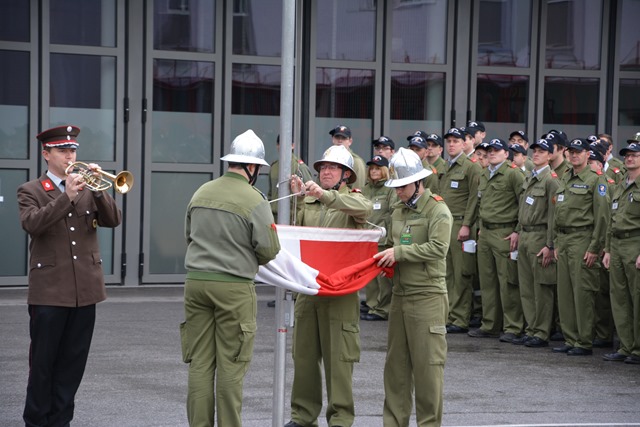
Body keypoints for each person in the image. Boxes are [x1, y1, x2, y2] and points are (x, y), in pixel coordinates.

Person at [18, 125, 122, 427]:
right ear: (46, 154)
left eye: (72, 150)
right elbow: (33, 224)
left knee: (72, 364)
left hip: (85, 291)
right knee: (43, 364)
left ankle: (60, 421)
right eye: (62, 151)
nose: (69, 156)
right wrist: (67, 197)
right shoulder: (31, 190)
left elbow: (113, 220)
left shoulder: (87, 187)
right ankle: (36, 421)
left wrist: (98, 190)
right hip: (49, 292)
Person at [182, 129, 281, 426]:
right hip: (234, 287)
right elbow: (269, 249)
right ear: (252, 167)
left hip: (196, 282)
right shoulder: (254, 199)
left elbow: (188, 235)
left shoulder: (201, 191)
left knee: (200, 363)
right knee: (231, 365)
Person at [286, 145, 372, 427]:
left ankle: (340, 419)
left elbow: (364, 209)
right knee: (304, 358)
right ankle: (302, 416)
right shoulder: (310, 203)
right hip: (309, 289)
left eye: (333, 168)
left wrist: (325, 196)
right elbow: (292, 233)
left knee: (339, 361)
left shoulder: (353, 199)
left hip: (340, 292)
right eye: (323, 167)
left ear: (346, 175)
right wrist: (298, 199)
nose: (325, 171)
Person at [374, 147, 452, 427]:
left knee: (428, 369)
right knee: (396, 368)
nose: (398, 192)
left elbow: (439, 248)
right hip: (400, 295)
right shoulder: (398, 210)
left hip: (427, 296)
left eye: (403, 186)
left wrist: (399, 253)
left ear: (419, 182)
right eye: (395, 187)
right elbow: (390, 242)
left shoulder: (437, 209)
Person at [552, 138, 609, 356]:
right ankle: (570, 338)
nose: (574, 155)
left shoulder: (596, 180)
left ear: (587, 154)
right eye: (572, 152)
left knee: (582, 292)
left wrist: (595, 248)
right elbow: (558, 212)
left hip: (582, 239)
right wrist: (556, 242)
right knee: (565, 293)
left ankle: (584, 341)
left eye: (579, 152)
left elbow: (602, 217)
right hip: (564, 240)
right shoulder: (565, 177)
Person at [468, 138, 525, 342]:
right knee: (487, 282)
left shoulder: (513, 174)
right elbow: (481, 203)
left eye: (496, 150)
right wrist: (480, 227)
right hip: (486, 232)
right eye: (489, 150)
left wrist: (518, 230)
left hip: (504, 232)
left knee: (507, 282)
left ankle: (512, 326)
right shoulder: (484, 173)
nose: (491, 153)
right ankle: (490, 324)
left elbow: (524, 204)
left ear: (506, 154)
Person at [512, 138, 560, 348]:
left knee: (541, 287)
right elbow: (523, 209)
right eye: (535, 151)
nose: (537, 154)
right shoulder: (530, 177)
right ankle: (531, 328)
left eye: (542, 151)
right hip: (525, 235)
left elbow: (553, 216)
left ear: (550, 155)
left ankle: (541, 331)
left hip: (540, 236)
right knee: (526, 287)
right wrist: (518, 231)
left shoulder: (551, 180)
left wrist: (550, 245)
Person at [439, 127, 482, 333]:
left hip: (461, 225)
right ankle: (449, 314)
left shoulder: (471, 166)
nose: (451, 144)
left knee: (461, 273)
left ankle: (460, 318)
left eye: (456, 141)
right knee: (446, 272)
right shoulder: (447, 166)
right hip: (445, 224)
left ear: (465, 143)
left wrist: (466, 224)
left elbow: (474, 198)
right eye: (449, 141)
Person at [602, 141, 640, 364]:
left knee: (637, 297)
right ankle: (626, 346)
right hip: (617, 244)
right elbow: (611, 220)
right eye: (627, 155)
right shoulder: (620, 185)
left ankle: (638, 349)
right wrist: (607, 249)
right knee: (619, 298)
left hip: (635, 243)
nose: (629, 158)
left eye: (635, 155)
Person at [361, 154, 396, 321]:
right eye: (372, 169)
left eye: (377, 168)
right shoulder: (366, 188)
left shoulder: (390, 188)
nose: (374, 171)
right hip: (368, 238)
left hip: (383, 238)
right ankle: (372, 305)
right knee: (370, 277)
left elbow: (393, 212)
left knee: (383, 279)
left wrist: (390, 237)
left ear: (384, 170)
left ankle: (383, 309)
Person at [267, 134, 313, 218]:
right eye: (280, 144)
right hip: (273, 216)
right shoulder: (274, 167)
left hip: (293, 217)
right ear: (277, 146)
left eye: (287, 144)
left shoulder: (299, 167)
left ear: (292, 146)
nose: (283, 147)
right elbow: (270, 194)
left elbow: (310, 195)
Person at [330, 125, 366, 190]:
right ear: (333, 139)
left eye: (344, 138)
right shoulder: (327, 159)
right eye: (337, 137)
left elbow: (357, 191)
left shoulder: (356, 162)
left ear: (350, 141)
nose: (340, 140)